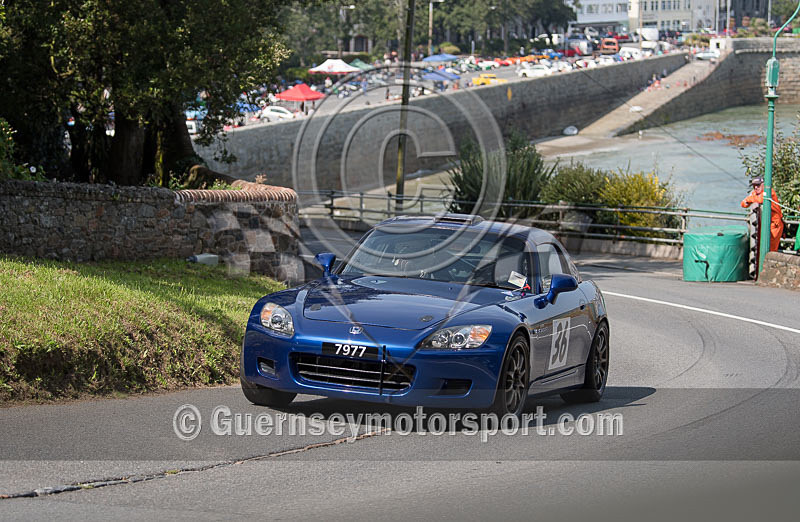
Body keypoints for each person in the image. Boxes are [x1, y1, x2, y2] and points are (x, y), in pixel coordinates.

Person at [741, 177, 784, 252]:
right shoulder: (756, 193)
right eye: (754, 186)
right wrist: (750, 199)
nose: (756, 187)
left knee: (771, 249)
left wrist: (750, 199)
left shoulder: (770, 192)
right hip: (764, 224)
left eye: (758, 185)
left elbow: (761, 199)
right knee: (761, 248)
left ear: (763, 185)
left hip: (774, 225)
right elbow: (743, 204)